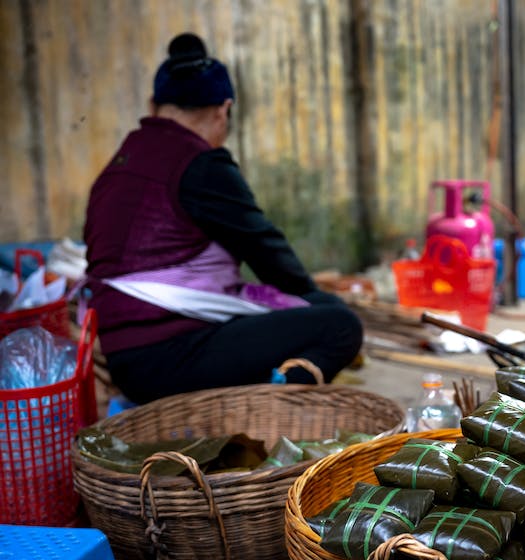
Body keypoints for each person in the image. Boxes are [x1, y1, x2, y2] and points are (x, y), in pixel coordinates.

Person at [83, 33, 363, 404]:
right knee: (339, 325)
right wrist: (314, 300)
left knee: (314, 311)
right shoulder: (198, 163)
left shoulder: (118, 166)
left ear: (153, 105)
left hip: (126, 360)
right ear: (223, 110)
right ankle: (272, 409)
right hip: (168, 357)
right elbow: (266, 249)